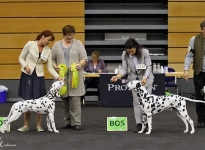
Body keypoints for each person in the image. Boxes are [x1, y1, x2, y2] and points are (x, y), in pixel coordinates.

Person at [18, 30, 63, 132]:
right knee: (27, 100)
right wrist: (25, 66)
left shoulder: (48, 50)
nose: (49, 43)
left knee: (40, 100)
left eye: (50, 41)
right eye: (48, 40)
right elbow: (21, 58)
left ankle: (39, 126)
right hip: (28, 75)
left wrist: (58, 77)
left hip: (39, 76)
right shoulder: (30, 44)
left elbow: (50, 67)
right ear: (43, 36)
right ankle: (26, 125)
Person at [110, 38, 154, 133]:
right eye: (128, 51)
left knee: (146, 103)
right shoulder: (124, 54)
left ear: (135, 47)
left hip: (146, 80)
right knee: (136, 102)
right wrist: (117, 77)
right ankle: (139, 124)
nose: (130, 53)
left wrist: (145, 77)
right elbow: (124, 70)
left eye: (132, 51)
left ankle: (146, 124)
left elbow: (149, 66)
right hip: (134, 81)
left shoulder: (144, 52)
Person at [51, 25, 87, 130]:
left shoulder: (78, 44)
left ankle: (76, 123)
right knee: (64, 101)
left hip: (75, 77)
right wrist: (55, 67)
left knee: (75, 100)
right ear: (63, 34)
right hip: (61, 78)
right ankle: (68, 122)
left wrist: (80, 64)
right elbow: (52, 60)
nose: (70, 37)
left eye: (72, 35)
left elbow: (84, 58)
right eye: (68, 36)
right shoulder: (56, 45)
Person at [183, 20, 205, 128]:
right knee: (199, 97)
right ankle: (201, 120)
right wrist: (186, 70)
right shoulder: (194, 39)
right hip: (199, 72)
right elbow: (189, 55)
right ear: (202, 30)